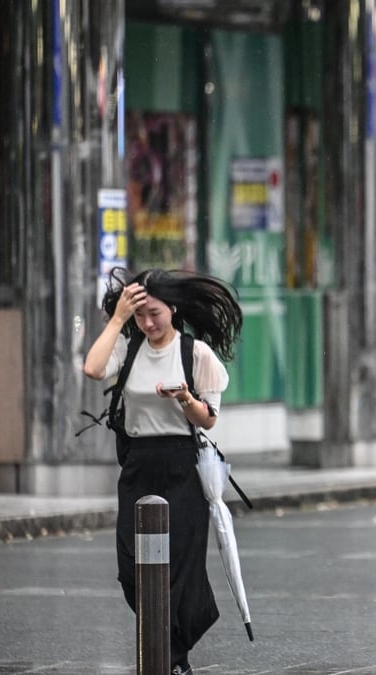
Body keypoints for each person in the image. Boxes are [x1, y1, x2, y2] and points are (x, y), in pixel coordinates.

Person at [83, 267, 242, 675]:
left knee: (179, 570)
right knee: (130, 568)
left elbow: (208, 420)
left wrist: (185, 398)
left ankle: (169, 659)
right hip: (138, 464)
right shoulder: (129, 347)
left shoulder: (195, 354)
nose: (148, 323)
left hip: (182, 466)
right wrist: (118, 318)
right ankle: (175, 644)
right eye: (140, 315)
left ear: (173, 309)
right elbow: (93, 369)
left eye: (155, 313)